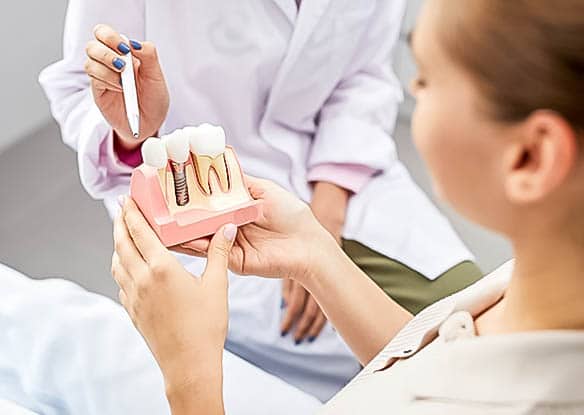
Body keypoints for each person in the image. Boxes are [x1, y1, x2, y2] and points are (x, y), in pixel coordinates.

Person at [111, 0, 584, 413]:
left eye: (426, 78)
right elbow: (437, 368)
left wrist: (190, 377)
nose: (413, 91)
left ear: (530, 158)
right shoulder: (533, 291)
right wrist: (317, 256)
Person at [39, 0, 480, 399]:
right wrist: (133, 129)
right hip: (196, 198)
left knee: (471, 328)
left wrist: (329, 201)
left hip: (345, 177)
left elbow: (364, 75)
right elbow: (84, 88)